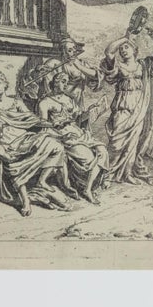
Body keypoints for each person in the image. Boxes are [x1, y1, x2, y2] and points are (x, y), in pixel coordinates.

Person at [0, 71, 72, 215]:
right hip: (5, 143)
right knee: (13, 166)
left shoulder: (16, 102)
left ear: (5, 83)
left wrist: (53, 125)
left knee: (56, 146)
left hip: (24, 138)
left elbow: (33, 120)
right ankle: (26, 202)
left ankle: (42, 181)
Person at [37, 63, 108, 203]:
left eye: (67, 82)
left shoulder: (69, 99)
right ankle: (85, 188)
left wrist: (92, 110)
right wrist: (57, 128)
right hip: (64, 136)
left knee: (103, 151)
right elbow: (42, 124)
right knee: (88, 158)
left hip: (78, 132)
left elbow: (78, 118)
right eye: (63, 81)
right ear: (55, 83)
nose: (66, 84)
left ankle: (87, 189)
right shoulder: (44, 102)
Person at [99, 38, 153, 184]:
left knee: (132, 144)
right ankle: (107, 173)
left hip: (139, 106)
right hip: (122, 105)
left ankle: (128, 173)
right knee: (116, 143)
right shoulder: (118, 66)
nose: (123, 50)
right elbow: (109, 51)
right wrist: (126, 37)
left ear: (134, 50)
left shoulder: (143, 65)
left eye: (126, 47)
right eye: (121, 48)